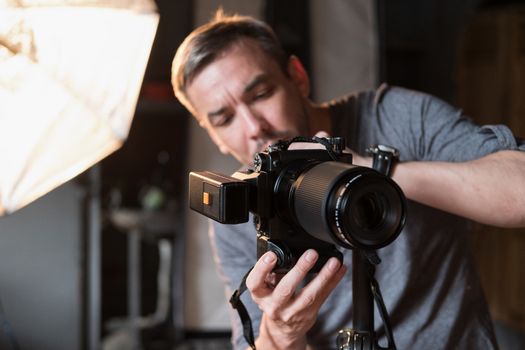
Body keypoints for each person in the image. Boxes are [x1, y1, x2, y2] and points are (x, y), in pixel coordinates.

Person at [171, 11, 525, 350]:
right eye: (225, 119)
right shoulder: (239, 206)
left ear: (298, 76)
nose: (253, 128)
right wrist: (281, 333)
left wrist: (373, 173)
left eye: (262, 95)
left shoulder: (396, 118)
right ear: (212, 135)